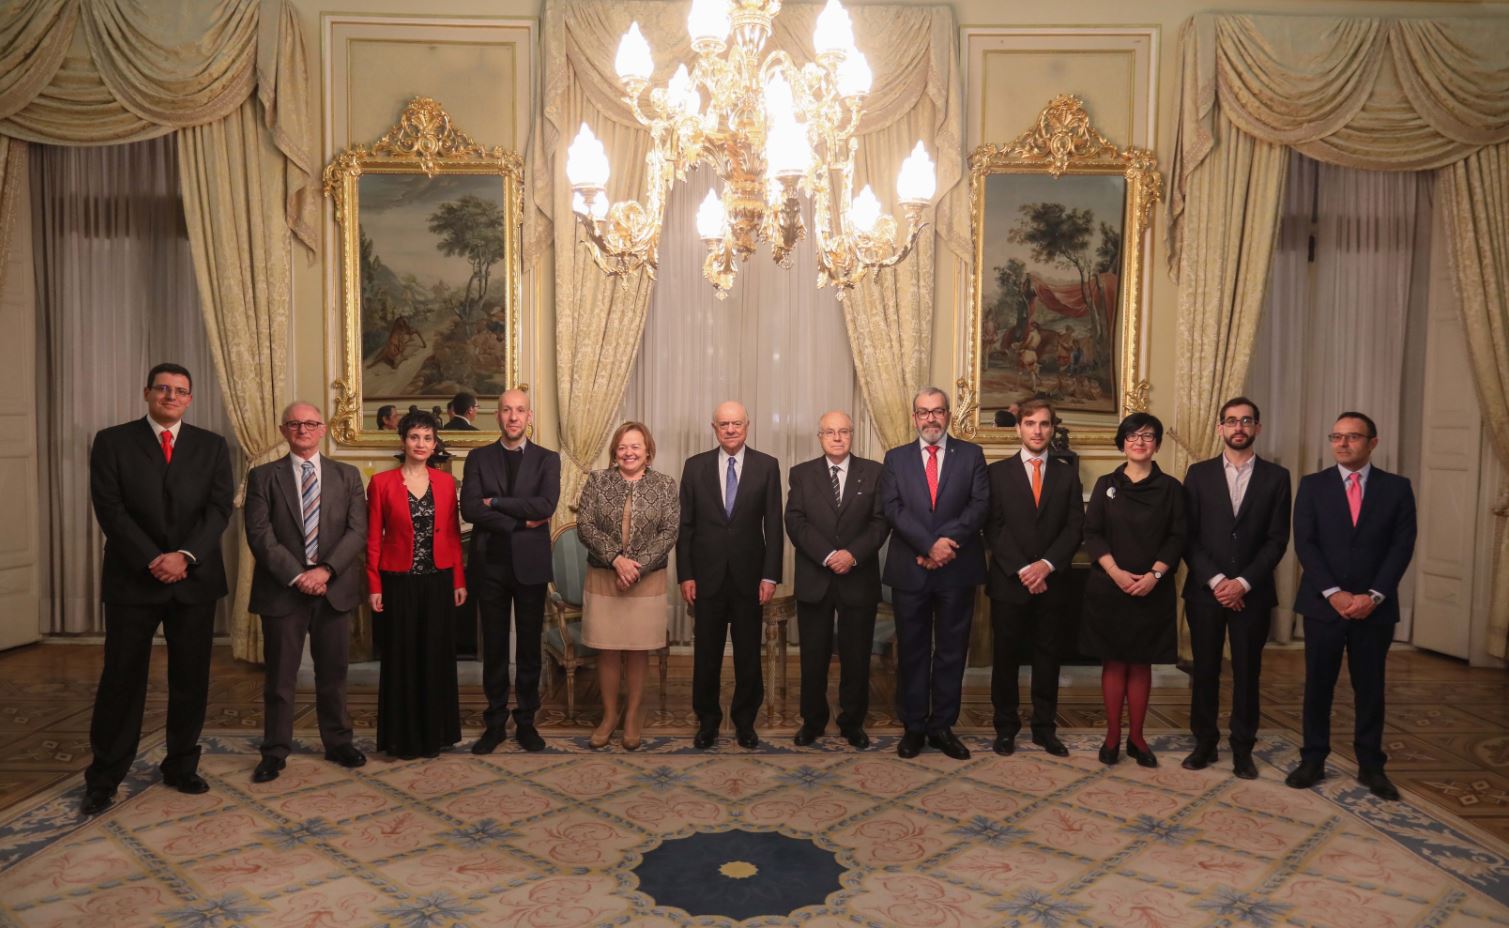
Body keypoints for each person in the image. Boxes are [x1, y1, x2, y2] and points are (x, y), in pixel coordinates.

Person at [81, 363, 233, 816]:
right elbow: (109, 509)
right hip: (133, 579)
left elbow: (220, 508)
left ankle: (181, 765)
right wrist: (154, 558)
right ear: (147, 392)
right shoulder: (112, 441)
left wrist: (184, 556)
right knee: (121, 680)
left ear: (190, 399)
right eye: (163, 389)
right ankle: (105, 777)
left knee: (191, 679)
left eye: (180, 391)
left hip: (195, 578)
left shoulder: (212, 445)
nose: (170, 396)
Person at [1286, 412, 1416, 801]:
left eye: (1352, 437)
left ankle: (1371, 766)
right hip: (1324, 605)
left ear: (1372, 443)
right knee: (1318, 686)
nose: (1342, 444)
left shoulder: (1397, 488)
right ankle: (1312, 759)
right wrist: (1334, 593)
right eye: (1336, 436)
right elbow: (1305, 543)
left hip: (1374, 609)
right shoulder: (1312, 486)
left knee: (1370, 687)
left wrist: (1373, 595)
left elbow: (1401, 546)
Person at [244, 403, 369, 783]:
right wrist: (300, 576)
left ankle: (338, 742)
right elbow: (260, 535)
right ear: (284, 430)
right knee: (280, 678)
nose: (303, 429)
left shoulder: (348, 476)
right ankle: (275, 750)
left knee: (334, 673)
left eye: (311, 423)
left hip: (334, 589)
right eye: (295, 424)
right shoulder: (263, 476)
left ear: (322, 429)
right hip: (283, 590)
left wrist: (326, 571)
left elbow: (357, 531)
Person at [1181, 397, 1291, 779]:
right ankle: (1205, 743)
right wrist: (1217, 582)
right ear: (1220, 428)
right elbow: (1188, 537)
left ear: (1257, 428)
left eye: (1246, 421)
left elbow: (1277, 540)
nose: (1238, 427)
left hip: (1253, 593)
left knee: (1248, 672)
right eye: (1231, 421)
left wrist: (1242, 583)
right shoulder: (1198, 474)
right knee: (1205, 669)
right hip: (1205, 592)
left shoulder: (1278, 478)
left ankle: (1243, 748)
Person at [880, 387, 989, 761]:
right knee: (911, 651)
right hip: (911, 568)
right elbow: (893, 508)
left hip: (957, 569)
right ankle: (913, 726)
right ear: (914, 418)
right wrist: (929, 546)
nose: (931, 418)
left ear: (947, 416)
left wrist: (945, 545)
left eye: (938, 411)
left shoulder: (971, 455)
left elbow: (980, 505)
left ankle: (942, 726)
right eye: (924, 412)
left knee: (951, 651)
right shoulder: (895, 458)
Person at [1080, 412, 1185, 768]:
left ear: (1156, 444)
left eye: (1148, 436)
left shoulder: (1171, 487)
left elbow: (1178, 536)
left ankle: (1137, 738)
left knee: (1140, 664)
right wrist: (1117, 573)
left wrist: (1153, 576)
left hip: (1152, 588)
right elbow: (1091, 533)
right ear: (1122, 442)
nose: (1139, 442)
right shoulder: (1106, 483)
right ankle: (1112, 737)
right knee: (1113, 662)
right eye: (1132, 436)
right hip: (1111, 587)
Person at [460, 389, 561, 753]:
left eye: (520, 410)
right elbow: (470, 508)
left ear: (529, 416)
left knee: (530, 647)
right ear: (497, 415)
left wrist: (498, 503)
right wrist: (520, 522)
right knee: (496, 647)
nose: (513, 417)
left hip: (530, 566)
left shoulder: (548, 459)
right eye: (506, 410)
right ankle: (495, 721)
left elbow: (546, 504)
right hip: (490, 564)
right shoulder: (478, 457)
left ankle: (527, 721)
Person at [678, 401, 783, 750]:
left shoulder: (768, 467)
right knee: (706, 654)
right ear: (714, 427)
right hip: (706, 578)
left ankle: (744, 722)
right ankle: (707, 721)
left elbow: (774, 526)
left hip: (749, 578)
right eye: (724, 424)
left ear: (748, 426)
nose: (731, 429)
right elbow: (686, 528)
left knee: (747, 655)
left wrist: (770, 577)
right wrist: (686, 575)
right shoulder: (694, 468)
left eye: (737, 423)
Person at [984, 397, 1083, 757]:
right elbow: (992, 528)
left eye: (1044, 424)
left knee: (1048, 657)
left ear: (1052, 429)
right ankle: (1006, 727)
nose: (1037, 431)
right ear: (1018, 429)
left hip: (1053, 583)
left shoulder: (1067, 474)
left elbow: (1074, 528)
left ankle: (1044, 728)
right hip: (1010, 581)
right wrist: (1025, 568)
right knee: (1006, 657)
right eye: (1030, 424)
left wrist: (1047, 565)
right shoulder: (996, 473)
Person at [785, 411, 890, 750]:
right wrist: (829, 556)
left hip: (858, 577)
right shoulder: (801, 474)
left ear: (852, 434)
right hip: (816, 577)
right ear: (820, 437)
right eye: (830, 432)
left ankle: (852, 722)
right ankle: (812, 721)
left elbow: (879, 523)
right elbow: (796, 522)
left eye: (843, 431)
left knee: (856, 656)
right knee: (813, 656)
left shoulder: (874, 473)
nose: (837, 437)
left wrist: (852, 555)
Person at [366, 410, 466, 759]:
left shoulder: (444, 483)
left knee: (436, 657)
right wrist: (374, 586)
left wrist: (458, 579)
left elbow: (452, 535)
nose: (421, 444)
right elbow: (374, 540)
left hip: (439, 581)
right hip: (398, 582)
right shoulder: (381, 483)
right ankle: (402, 738)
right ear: (403, 441)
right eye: (414, 437)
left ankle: (436, 734)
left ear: (435, 443)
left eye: (427, 438)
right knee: (402, 658)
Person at [576, 422, 679, 750]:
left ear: (648, 452)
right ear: (614, 452)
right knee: (607, 648)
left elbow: (670, 531)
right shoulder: (597, 480)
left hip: (646, 580)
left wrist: (636, 567)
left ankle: (633, 715)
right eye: (623, 447)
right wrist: (616, 560)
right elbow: (585, 525)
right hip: (605, 576)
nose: (629, 452)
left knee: (637, 650)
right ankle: (609, 716)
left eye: (635, 447)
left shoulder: (664, 485)